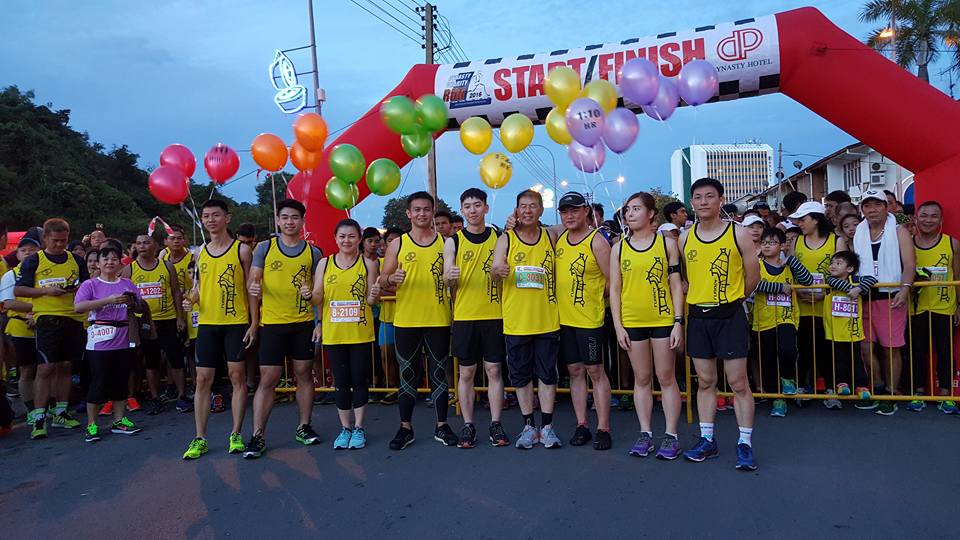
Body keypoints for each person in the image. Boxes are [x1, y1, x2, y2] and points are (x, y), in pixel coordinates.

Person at [679, 178, 760, 470]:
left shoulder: (738, 233)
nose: (703, 202)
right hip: (699, 317)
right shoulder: (684, 237)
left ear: (720, 200)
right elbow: (686, 277)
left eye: (709, 196)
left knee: (738, 382)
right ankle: (707, 440)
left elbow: (753, 276)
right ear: (692, 202)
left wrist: (734, 300)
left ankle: (744, 442)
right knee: (705, 381)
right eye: (698, 197)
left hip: (730, 315)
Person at [244, 199, 323, 458]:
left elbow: (319, 293)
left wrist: (320, 322)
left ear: (303, 222)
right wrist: (254, 319)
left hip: (302, 324)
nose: (290, 222)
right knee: (268, 379)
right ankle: (257, 435)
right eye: (285, 217)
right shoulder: (264, 248)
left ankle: (304, 426)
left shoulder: (313, 252)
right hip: (272, 325)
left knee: (304, 375)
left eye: (295, 217)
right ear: (278, 220)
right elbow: (254, 281)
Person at [181, 199, 258, 459]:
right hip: (207, 323)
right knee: (202, 379)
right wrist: (191, 299)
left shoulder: (241, 250)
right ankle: (200, 437)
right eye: (206, 216)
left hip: (235, 323)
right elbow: (197, 287)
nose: (211, 220)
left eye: (216, 215)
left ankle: (236, 433)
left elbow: (251, 290)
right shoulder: (199, 252)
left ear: (227, 218)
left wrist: (254, 323)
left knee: (237, 377)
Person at [610, 192, 685, 459]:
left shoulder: (667, 244)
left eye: (636, 209)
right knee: (641, 378)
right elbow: (615, 289)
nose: (630, 214)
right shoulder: (619, 248)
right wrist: (618, 326)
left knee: (666, 377)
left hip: (663, 319)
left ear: (651, 213)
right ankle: (645, 433)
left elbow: (675, 284)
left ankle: (671, 435)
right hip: (633, 321)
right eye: (627, 210)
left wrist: (678, 322)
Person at [380, 191, 457, 450]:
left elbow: (454, 279)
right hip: (406, 320)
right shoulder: (398, 244)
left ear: (432, 212)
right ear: (408, 213)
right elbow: (382, 279)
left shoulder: (446, 243)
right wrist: (391, 279)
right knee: (408, 375)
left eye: (426, 209)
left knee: (439, 373)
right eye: (417, 209)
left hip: (438, 319)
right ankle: (405, 428)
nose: (422, 213)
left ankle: (442, 425)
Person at [492, 189, 562, 450]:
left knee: (547, 375)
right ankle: (528, 427)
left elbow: (572, 225)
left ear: (541, 210)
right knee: (521, 376)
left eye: (533, 206)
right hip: (516, 321)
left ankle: (547, 427)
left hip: (547, 319)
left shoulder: (550, 236)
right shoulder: (506, 238)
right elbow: (494, 270)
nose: (528, 210)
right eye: (523, 206)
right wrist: (498, 271)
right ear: (516, 210)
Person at [443, 188, 510, 448]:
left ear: (486, 208)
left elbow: (504, 267)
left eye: (477, 205)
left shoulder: (500, 237)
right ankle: (468, 424)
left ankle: (496, 423)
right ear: (462, 210)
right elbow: (447, 276)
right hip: (465, 316)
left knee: (494, 370)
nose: (473, 210)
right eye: (468, 206)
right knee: (467, 373)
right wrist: (450, 277)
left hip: (495, 314)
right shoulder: (454, 241)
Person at [15, 218, 89, 439]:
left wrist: (76, 289)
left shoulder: (76, 260)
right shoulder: (34, 261)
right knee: (45, 368)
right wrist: (46, 291)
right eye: (55, 240)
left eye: (63, 240)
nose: (59, 244)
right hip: (47, 319)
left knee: (66, 366)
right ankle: (39, 417)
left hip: (72, 317)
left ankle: (61, 413)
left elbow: (86, 285)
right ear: (45, 238)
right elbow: (20, 290)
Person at [552, 192, 613, 450]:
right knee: (575, 372)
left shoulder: (597, 241)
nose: (569, 216)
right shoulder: (560, 239)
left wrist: (595, 298)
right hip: (564, 320)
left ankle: (603, 427)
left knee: (595, 371)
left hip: (590, 320)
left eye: (574, 210)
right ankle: (582, 424)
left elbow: (612, 280)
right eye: (564, 211)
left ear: (586, 211)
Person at [312, 218, 380, 449]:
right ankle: (345, 428)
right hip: (334, 333)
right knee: (340, 382)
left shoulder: (369, 264)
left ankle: (359, 427)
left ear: (359, 239)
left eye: (351, 236)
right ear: (335, 238)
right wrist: (308, 295)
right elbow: (318, 296)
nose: (346, 240)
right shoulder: (324, 264)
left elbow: (371, 300)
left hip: (360, 333)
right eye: (342, 236)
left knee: (359, 380)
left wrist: (375, 294)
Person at [74, 244, 146, 442]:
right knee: (99, 381)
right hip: (100, 340)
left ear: (120, 263)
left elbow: (140, 307)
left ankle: (119, 420)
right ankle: (92, 424)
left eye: (114, 259)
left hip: (124, 337)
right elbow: (79, 307)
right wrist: (108, 300)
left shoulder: (127, 283)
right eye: (105, 259)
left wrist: (132, 303)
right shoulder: (90, 285)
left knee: (121, 381)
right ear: (98, 263)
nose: (110, 262)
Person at [852, 189, 914, 416]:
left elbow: (910, 264)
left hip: (891, 296)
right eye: (867, 206)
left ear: (886, 207)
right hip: (864, 296)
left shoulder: (899, 231)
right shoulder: (858, 233)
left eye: (877, 204)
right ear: (862, 210)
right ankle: (877, 387)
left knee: (891, 348)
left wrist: (904, 289)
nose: (872, 210)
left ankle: (891, 392)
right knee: (865, 347)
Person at [123, 232, 188, 415]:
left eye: (146, 242)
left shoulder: (167, 266)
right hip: (144, 322)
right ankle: (155, 398)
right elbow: (126, 297)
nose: (142, 246)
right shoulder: (129, 269)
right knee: (151, 362)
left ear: (156, 245)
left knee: (176, 359)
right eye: (139, 243)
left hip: (168, 319)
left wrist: (180, 317)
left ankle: (182, 396)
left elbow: (176, 291)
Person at [751, 228, 813, 417]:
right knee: (768, 360)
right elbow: (753, 284)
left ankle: (787, 378)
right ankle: (777, 399)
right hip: (763, 319)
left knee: (788, 350)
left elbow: (808, 280)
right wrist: (779, 287)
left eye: (772, 242)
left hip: (787, 317)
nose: (767, 246)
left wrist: (792, 260)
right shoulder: (757, 264)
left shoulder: (789, 265)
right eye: (764, 242)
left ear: (782, 246)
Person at [789, 201, 846, 401]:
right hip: (802, 305)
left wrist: (826, 292)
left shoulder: (836, 241)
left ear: (816, 219)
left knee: (827, 348)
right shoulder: (796, 242)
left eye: (803, 219)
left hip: (828, 304)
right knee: (804, 347)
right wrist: (798, 292)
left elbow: (843, 272)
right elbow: (791, 270)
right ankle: (803, 387)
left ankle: (831, 389)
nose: (799, 223)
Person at [908, 201, 958, 414]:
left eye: (933, 216)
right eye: (924, 215)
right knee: (917, 351)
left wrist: (959, 306)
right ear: (916, 218)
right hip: (915, 308)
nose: (928, 220)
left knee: (945, 352)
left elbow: (957, 276)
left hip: (944, 307)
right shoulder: (907, 244)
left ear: (941, 220)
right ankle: (918, 393)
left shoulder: (952, 243)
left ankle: (946, 396)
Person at [821, 251, 875, 410]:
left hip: (853, 330)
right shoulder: (830, 280)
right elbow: (838, 284)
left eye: (838, 263)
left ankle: (861, 385)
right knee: (838, 359)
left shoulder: (857, 280)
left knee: (856, 359)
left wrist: (859, 289)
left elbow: (872, 279)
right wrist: (853, 289)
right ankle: (842, 383)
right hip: (834, 330)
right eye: (832, 262)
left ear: (850, 269)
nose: (833, 266)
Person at [1, 235, 41, 422]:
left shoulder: (45, 273)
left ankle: (47, 407)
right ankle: (31, 409)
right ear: (17, 254)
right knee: (26, 370)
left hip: (46, 326)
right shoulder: (11, 275)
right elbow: (8, 303)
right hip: (20, 327)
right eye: (23, 250)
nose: (27, 253)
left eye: (32, 250)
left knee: (47, 369)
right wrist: (40, 309)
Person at [377, 227, 402, 405]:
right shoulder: (378, 263)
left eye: (396, 240)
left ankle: (408, 387)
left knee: (405, 357)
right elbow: (378, 289)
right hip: (386, 317)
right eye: (389, 241)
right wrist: (399, 290)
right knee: (386, 354)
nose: (393, 243)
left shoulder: (409, 259)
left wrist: (389, 287)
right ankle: (392, 387)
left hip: (407, 315)